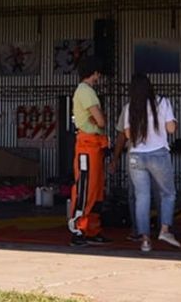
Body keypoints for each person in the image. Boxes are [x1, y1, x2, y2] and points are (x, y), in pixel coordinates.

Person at [119, 73, 180, 252]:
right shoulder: (162, 102)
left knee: (142, 197)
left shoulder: (130, 107)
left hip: (136, 156)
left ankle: (145, 240)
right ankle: (165, 230)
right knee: (168, 193)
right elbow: (171, 129)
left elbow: (128, 135)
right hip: (158, 154)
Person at [68, 56, 110, 247]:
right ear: (94, 73)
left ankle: (91, 229)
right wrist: (99, 119)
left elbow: (99, 120)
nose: (99, 77)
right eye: (98, 73)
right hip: (88, 145)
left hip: (94, 144)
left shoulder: (85, 91)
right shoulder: (86, 92)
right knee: (86, 189)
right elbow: (101, 121)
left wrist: (98, 120)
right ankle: (78, 228)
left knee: (96, 189)